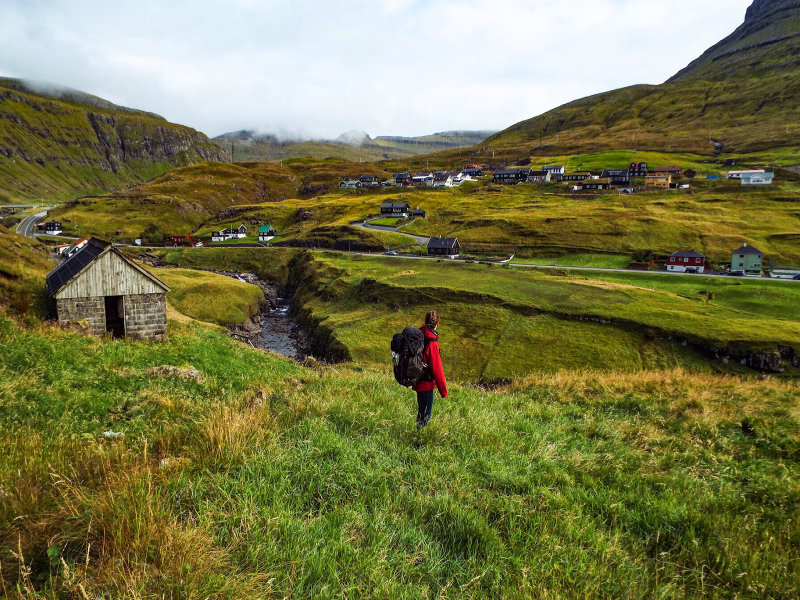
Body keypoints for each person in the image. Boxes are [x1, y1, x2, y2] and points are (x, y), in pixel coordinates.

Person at [412, 311, 448, 429]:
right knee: (425, 416)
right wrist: (443, 391)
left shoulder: (420, 335)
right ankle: (418, 440)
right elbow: (437, 369)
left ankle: (418, 435)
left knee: (421, 411)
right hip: (426, 384)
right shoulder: (432, 342)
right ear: (438, 323)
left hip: (418, 381)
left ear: (425, 322)